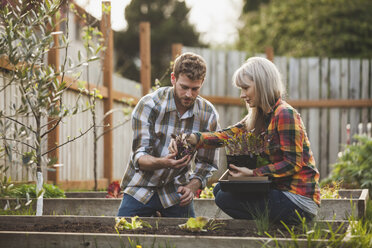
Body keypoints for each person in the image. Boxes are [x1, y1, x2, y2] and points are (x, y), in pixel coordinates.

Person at [170, 57, 320, 224]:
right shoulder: (262, 116)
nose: (242, 95)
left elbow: (293, 163)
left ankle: (269, 229)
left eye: (246, 88)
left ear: (263, 84)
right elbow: (226, 135)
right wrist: (192, 138)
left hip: (298, 200)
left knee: (225, 197)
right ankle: (266, 227)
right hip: (282, 193)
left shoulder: (284, 114)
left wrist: (253, 174)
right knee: (221, 189)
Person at [117, 52, 220, 218]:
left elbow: (207, 163)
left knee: (189, 240)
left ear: (202, 83)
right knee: (121, 236)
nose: (189, 94)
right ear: (173, 78)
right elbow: (140, 157)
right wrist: (165, 163)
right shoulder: (149, 105)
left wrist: (192, 187)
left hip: (177, 191)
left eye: (195, 89)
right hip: (141, 187)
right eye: (184, 87)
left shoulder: (208, 114)